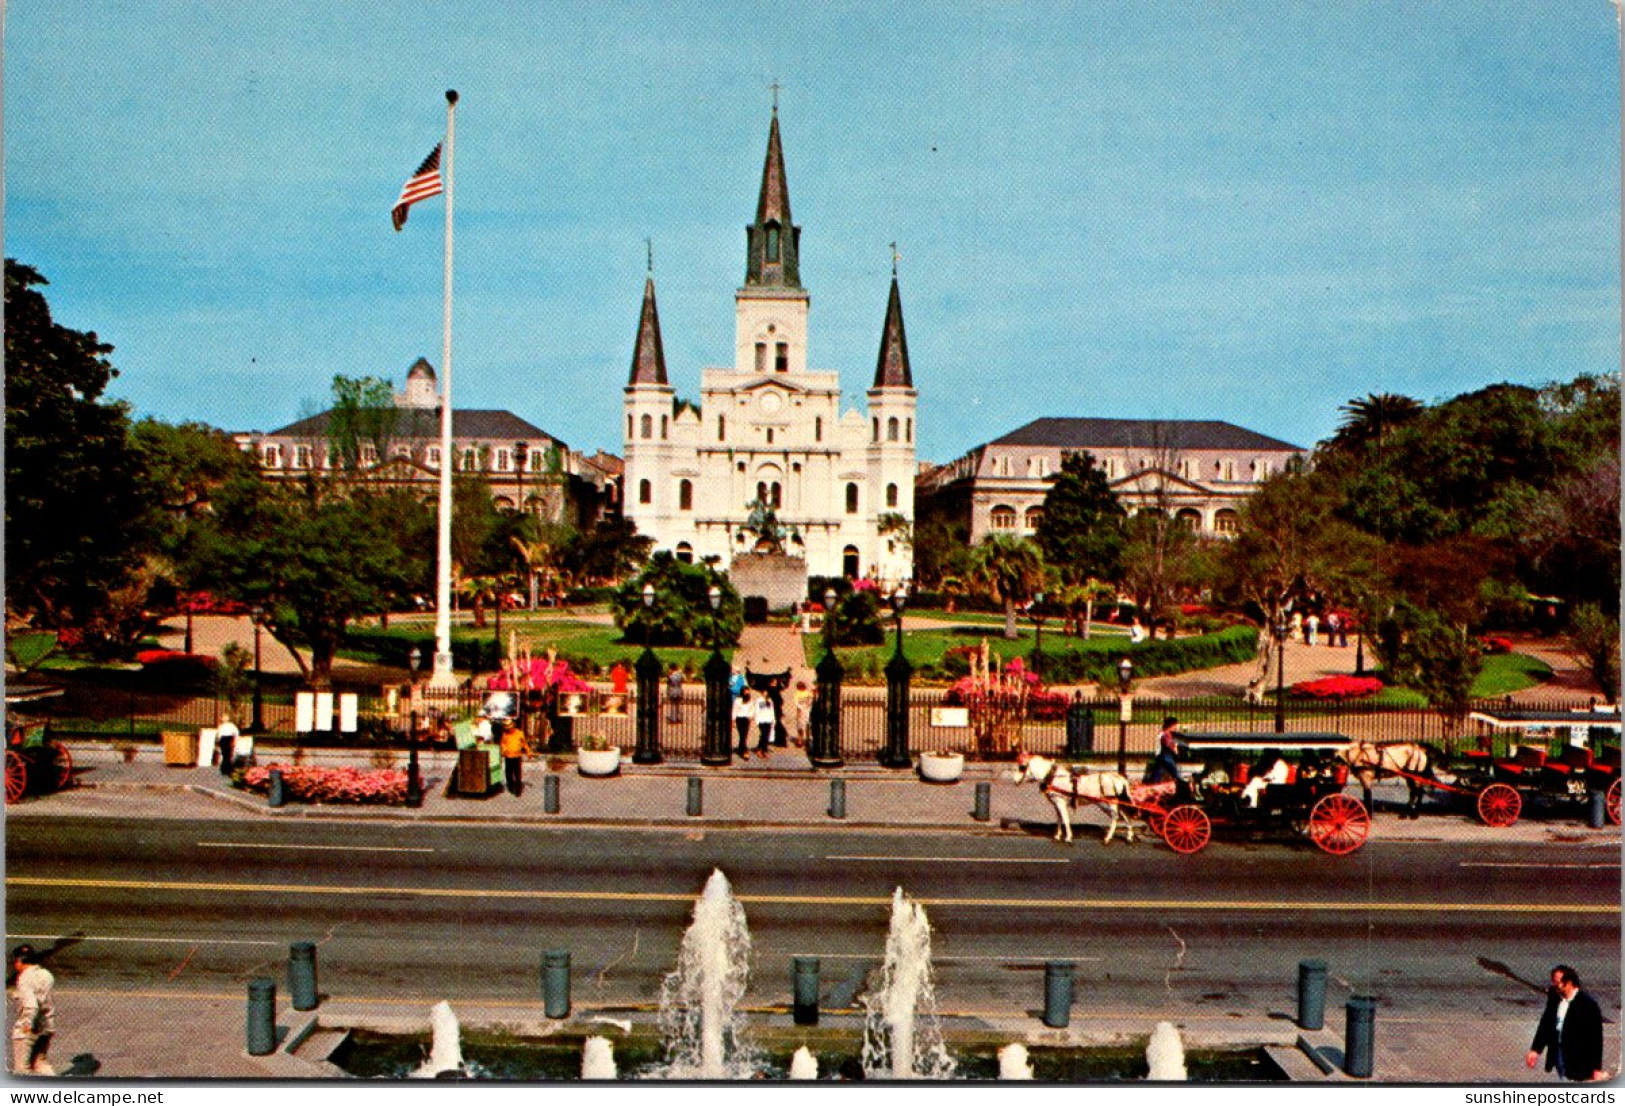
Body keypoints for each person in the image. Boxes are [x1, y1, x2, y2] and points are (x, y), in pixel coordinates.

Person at [1527, 965, 1606, 1081]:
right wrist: (1535, 1050)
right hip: (1558, 1051)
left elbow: (1595, 1040)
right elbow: (1546, 1024)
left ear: (1569, 983)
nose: (1553, 985)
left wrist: (1596, 1068)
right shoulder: (1554, 998)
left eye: (1557, 982)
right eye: (1553, 981)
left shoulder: (1588, 1005)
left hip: (1579, 1057)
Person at [10, 944, 54, 1076]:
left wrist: (26, 1025)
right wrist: (19, 994)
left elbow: (32, 1005)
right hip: (47, 1025)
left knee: (22, 1070)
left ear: (20, 961)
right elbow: (40, 996)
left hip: (31, 1027)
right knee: (40, 1063)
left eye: (15, 961)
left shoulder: (23, 979)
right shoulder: (46, 974)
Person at [1146, 716, 1182, 784]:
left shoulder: (1162, 733)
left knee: (1157, 773)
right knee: (1175, 774)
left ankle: (1154, 784)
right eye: (1175, 726)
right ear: (1171, 725)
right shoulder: (1166, 735)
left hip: (1159, 756)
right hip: (1165, 756)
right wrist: (1175, 750)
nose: (1176, 728)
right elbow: (1169, 745)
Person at [499, 720, 530, 797]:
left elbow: (524, 743)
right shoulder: (505, 735)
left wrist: (528, 752)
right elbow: (503, 743)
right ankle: (511, 787)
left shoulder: (519, 733)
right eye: (508, 728)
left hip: (517, 756)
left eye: (510, 727)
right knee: (509, 773)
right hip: (508, 756)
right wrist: (504, 750)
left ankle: (518, 790)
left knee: (517, 773)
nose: (509, 729)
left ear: (513, 726)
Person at [754, 688, 777, 757]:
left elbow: (772, 710)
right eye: (764, 692)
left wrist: (773, 719)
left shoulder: (770, 700)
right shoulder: (759, 700)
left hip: (768, 719)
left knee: (766, 735)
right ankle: (759, 750)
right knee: (763, 734)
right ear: (762, 692)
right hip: (761, 720)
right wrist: (757, 720)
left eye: (767, 692)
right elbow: (756, 710)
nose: (766, 693)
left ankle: (764, 750)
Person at [733, 688, 755, 758]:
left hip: (746, 719)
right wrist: (733, 720)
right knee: (742, 734)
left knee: (744, 735)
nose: (747, 694)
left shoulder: (750, 701)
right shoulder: (737, 701)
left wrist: (751, 716)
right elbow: (734, 710)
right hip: (739, 718)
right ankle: (744, 751)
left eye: (748, 692)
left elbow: (752, 709)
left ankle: (741, 749)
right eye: (745, 692)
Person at [792, 680, 813, 746]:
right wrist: (801, 708)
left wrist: (808, 704)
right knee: (800, 726)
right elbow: (796, 703)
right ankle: (800, 740)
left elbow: (811, 699)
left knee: (807, 725)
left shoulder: (807, 692)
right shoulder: (797, 693)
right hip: (801, 710)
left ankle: (806, 739)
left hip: (807, 710)